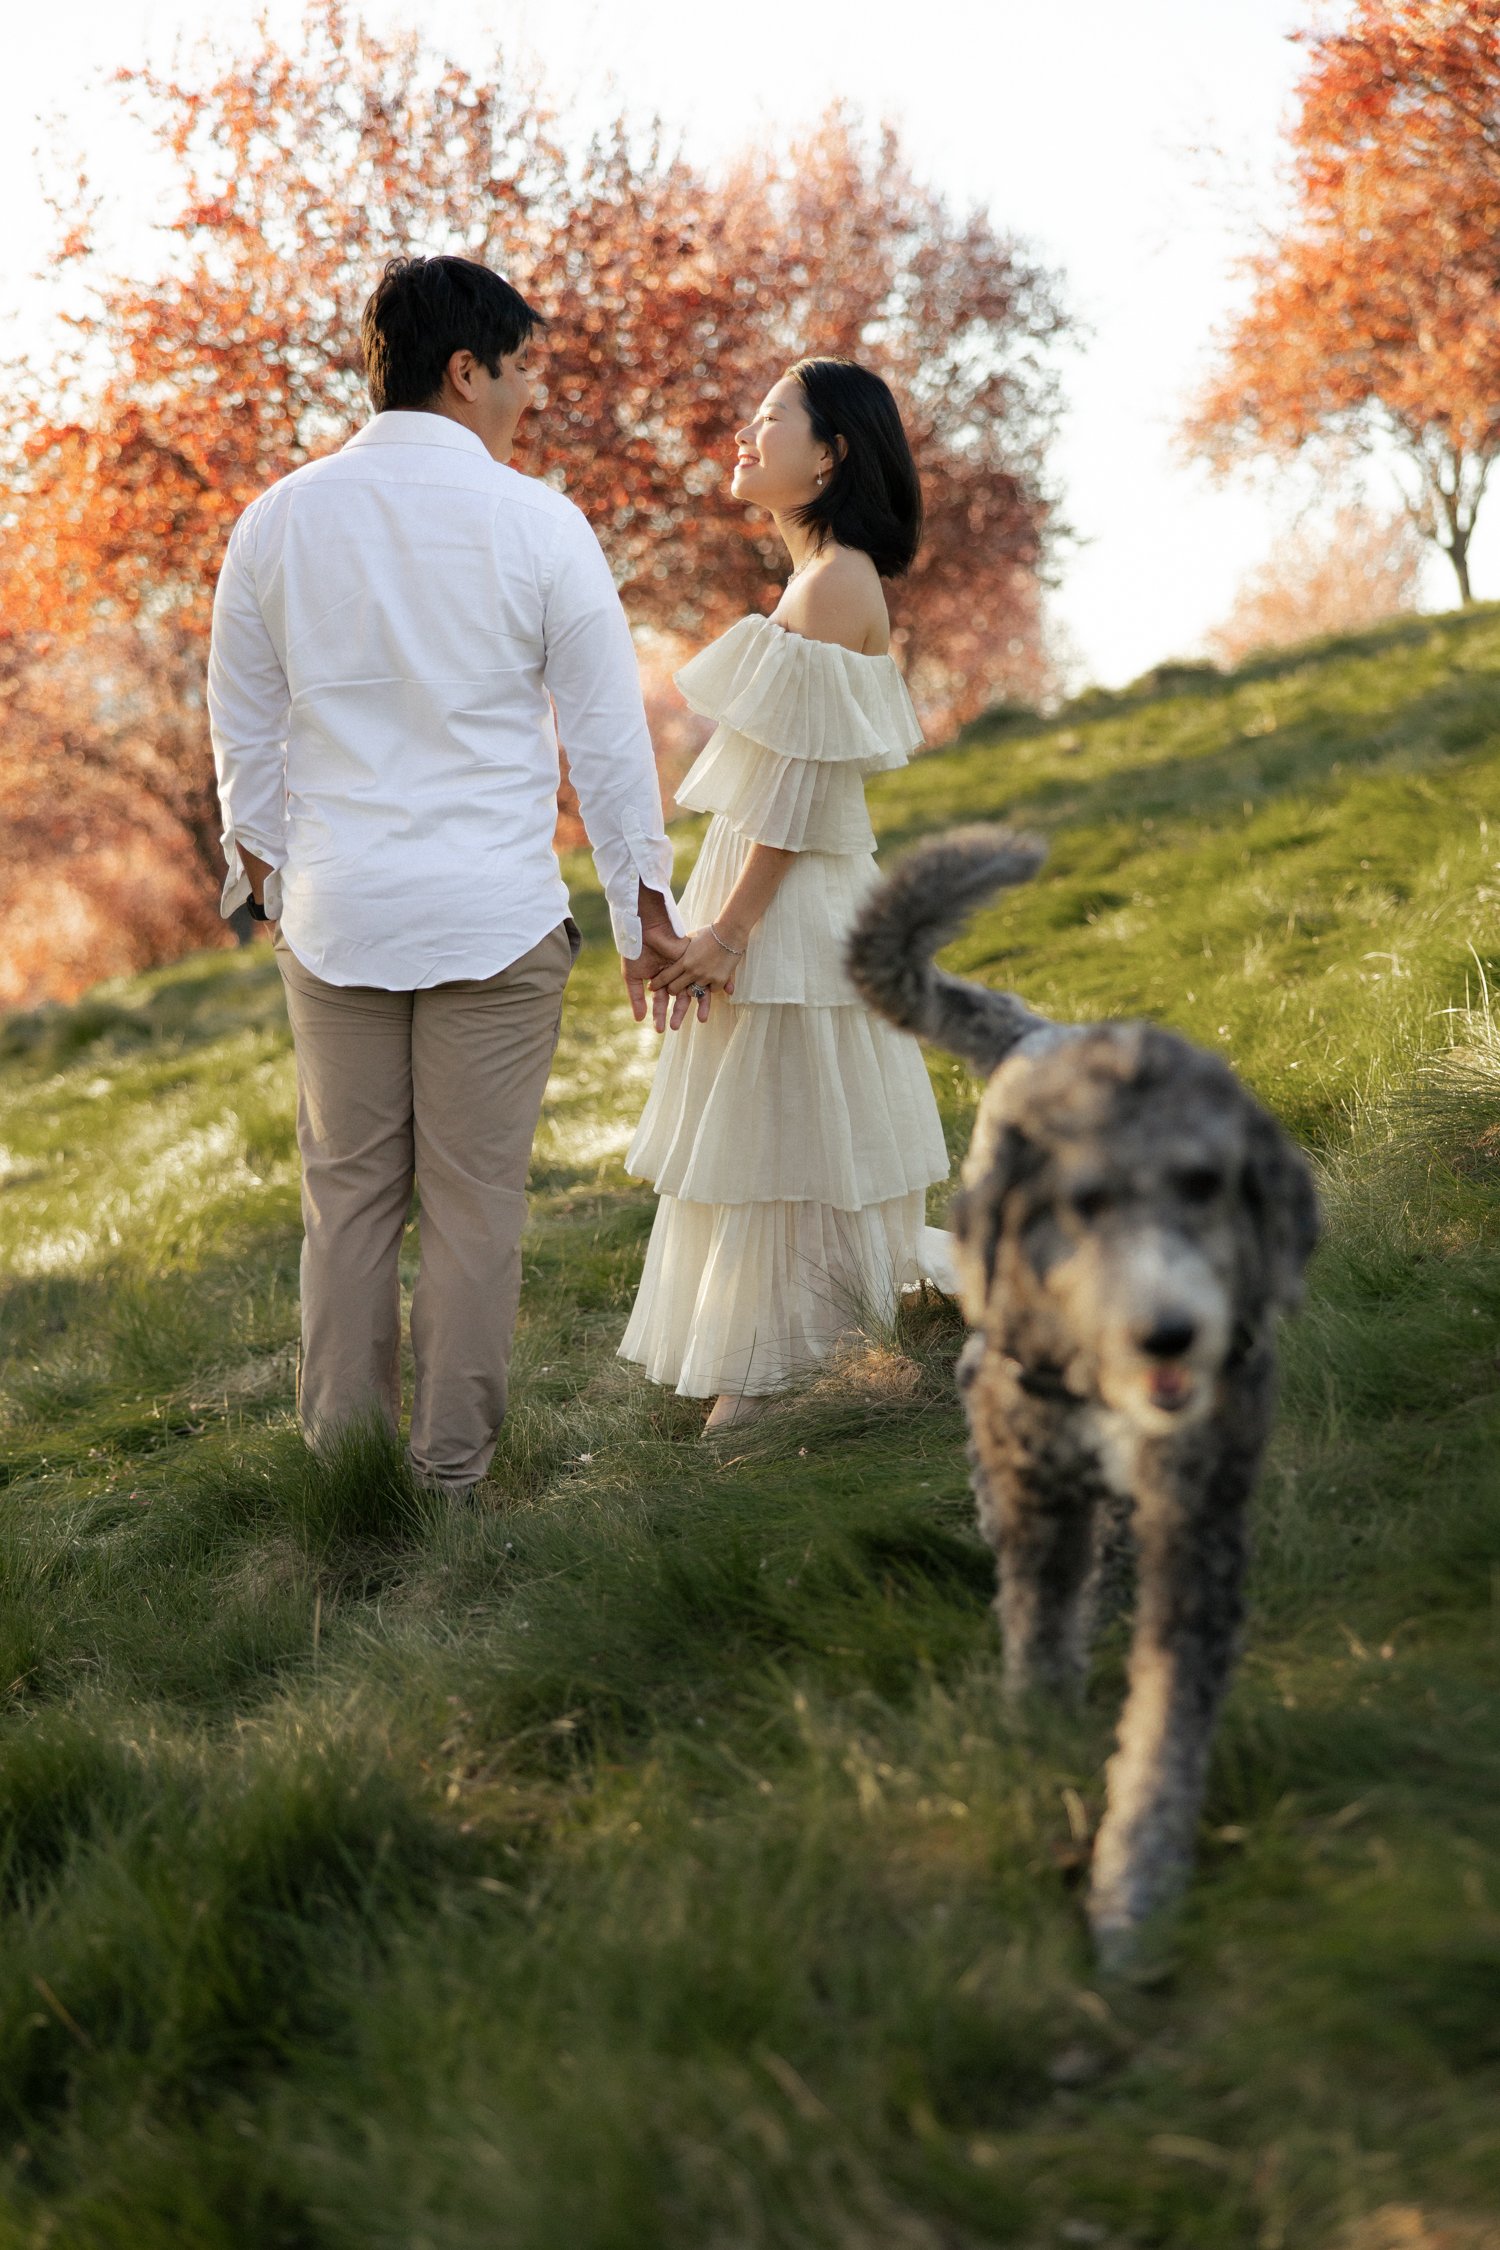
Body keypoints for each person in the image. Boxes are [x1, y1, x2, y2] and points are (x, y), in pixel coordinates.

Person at [208, 254, 688, 1494]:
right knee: (477, 1208)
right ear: (465, 371)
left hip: (338, 913)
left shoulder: (274, 520)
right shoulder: (539, 524)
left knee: (350, 1201)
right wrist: (647, 917)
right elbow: (608, 743)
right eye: (522, 367)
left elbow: (242, 731)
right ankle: (450, 1480)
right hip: (493, 912)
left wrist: (260, 879)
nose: (532, 392)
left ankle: (349, 1476)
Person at [619, 358, 952, 1432]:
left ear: (831, 455)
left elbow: (804, 780)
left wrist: (730, 926)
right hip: (777, 895)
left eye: (771, 421)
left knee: (787, 1144)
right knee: (772, 1140)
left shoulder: (836, 583)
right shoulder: (818, 584)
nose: (744, 436)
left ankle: (775, 1392)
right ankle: (780, 1382)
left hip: (786, 909)